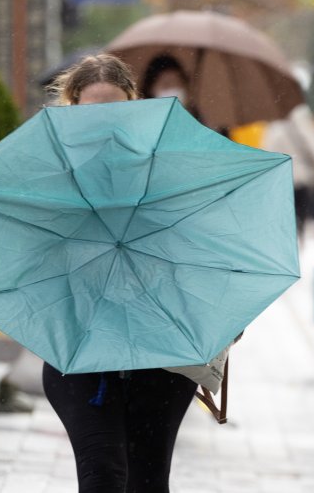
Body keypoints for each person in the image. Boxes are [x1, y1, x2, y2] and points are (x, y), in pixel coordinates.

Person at [44, 54, 198, 493]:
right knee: (103, 476)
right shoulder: (51, 174)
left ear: (135, 104)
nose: (106, 124)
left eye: (117, 109)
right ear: (71, 111)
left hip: (161, 356)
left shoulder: (166, 166)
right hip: (78, 354)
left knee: (149, 481)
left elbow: (197, 250)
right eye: (93, 112)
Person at [262, 103, 314, 236]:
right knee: (301, 222)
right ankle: (300, 241)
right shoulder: (306, 125)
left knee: (285, 224)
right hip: (303, 182)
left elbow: (266, 155)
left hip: (281, 183)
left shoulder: (274, 128)